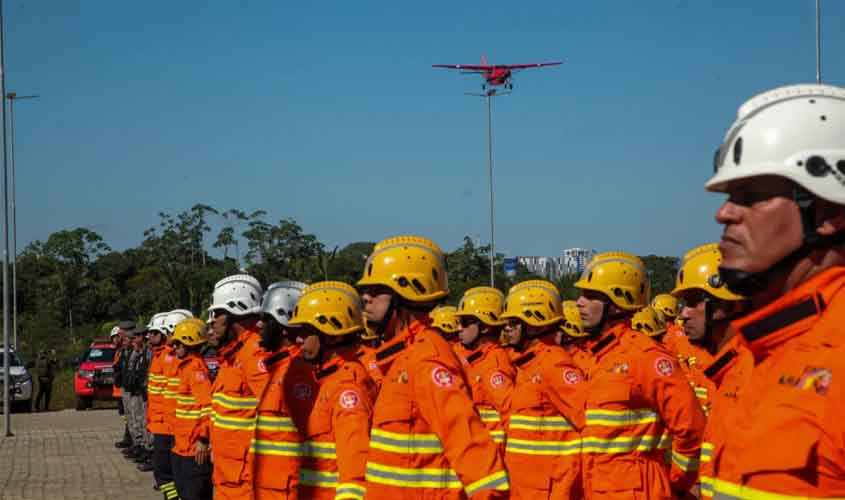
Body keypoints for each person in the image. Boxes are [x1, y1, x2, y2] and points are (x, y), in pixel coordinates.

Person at [698, 83, 845, 498]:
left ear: (828, 213)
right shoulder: (757, 355)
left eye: (752, 197)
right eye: (730, 197)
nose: (723, 213)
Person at [357, 235, 509, 499]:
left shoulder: (426, 359)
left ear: (403, 293)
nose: (365, 298)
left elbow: (468, 440)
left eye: (375, 290)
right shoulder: (404, 357)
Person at [574, 251, 706, 499]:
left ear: (616, 303)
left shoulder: (645, 356)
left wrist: (676, 484)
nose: (579, 302)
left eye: (590, 296)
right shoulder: (600, 358)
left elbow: (692, 430)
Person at [289, 281, 375, 500]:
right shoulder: (328, 380)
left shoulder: (346, 386)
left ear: (331, 335)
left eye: (305, 332)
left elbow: (355, 465)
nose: (298, 339)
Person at [500, 280, 585, 499]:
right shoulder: (529, 366)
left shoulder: (553, 364)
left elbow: (589, 425)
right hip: (526, 486)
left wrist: (565, 487)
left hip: (548, 490)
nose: (506, 328)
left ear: (534, 323)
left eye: (512, 323)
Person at [249, 280, 314, 500]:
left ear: (284, 324)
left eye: (266, 319)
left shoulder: (297, 374)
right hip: (268, 486)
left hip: (286, 490)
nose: (259, 326)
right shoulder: (278, 369)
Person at [207, 274, 269, 500]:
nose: (212, 321)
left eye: (217, 314)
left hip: (244, 476)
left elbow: (274, 416)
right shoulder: (234, 356)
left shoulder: (254, 354)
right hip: (228, 471)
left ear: (236, 313)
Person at [452, 286, 514, 448]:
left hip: (492, 453)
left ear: (485, 326)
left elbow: (509, 412)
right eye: (458, 322)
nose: (459, 328)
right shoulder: (470, 356)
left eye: (465, 322)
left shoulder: (495, 362)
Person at [170, 318, 215, 500]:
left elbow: (207, 406)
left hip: (193, 449)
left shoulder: (196, 369)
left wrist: (203, 439)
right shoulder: (185, 367)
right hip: (181, 445)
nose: (174, 348)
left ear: (189, 343)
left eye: (178, 344)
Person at [123, 326, 154, 464]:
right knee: (137, 419)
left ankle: (147, 449)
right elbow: (131, 368)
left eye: (136, 337)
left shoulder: (148, 352)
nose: (134, 340)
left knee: (144, 421)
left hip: (145, 393)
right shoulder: (138, 352)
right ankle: (141, 446)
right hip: (137, 390)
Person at [113, 320, 136, 450]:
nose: (119, 334)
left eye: (121, 331)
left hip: (132, 388)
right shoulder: (123, 348)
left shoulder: (132, 348)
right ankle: (131, 440)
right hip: (125, 386)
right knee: (128, 415)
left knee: (134, 416)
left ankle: (135, 442)